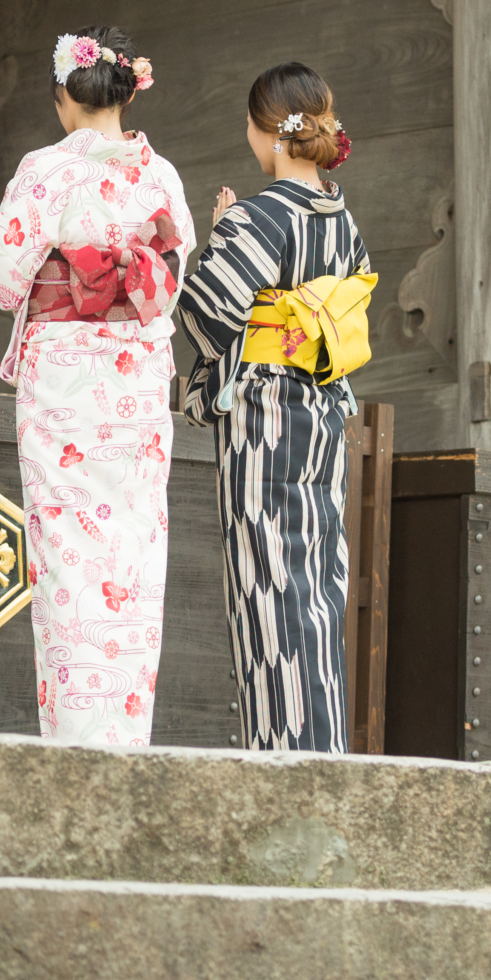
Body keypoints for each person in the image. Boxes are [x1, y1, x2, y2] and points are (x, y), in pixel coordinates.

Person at [0, 27, 195, 745]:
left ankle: (74, 747)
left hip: (67, 382)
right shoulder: (161, 176)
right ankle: (125, 741)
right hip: (136, 382)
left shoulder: (46, 169)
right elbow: (173, 275)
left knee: (69, 559)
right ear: (128, 91)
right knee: (133, 558)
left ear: (64, 97)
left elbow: (2, 272)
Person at [178, 62, 371, 754]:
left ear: (270, 135)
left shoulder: (261, 216)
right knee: (317, 584)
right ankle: (327, 747)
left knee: (268, 585)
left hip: (263, 422)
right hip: (321, 418)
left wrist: (221, 233)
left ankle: (286, 753)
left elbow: (204, 315)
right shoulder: (341, 219)